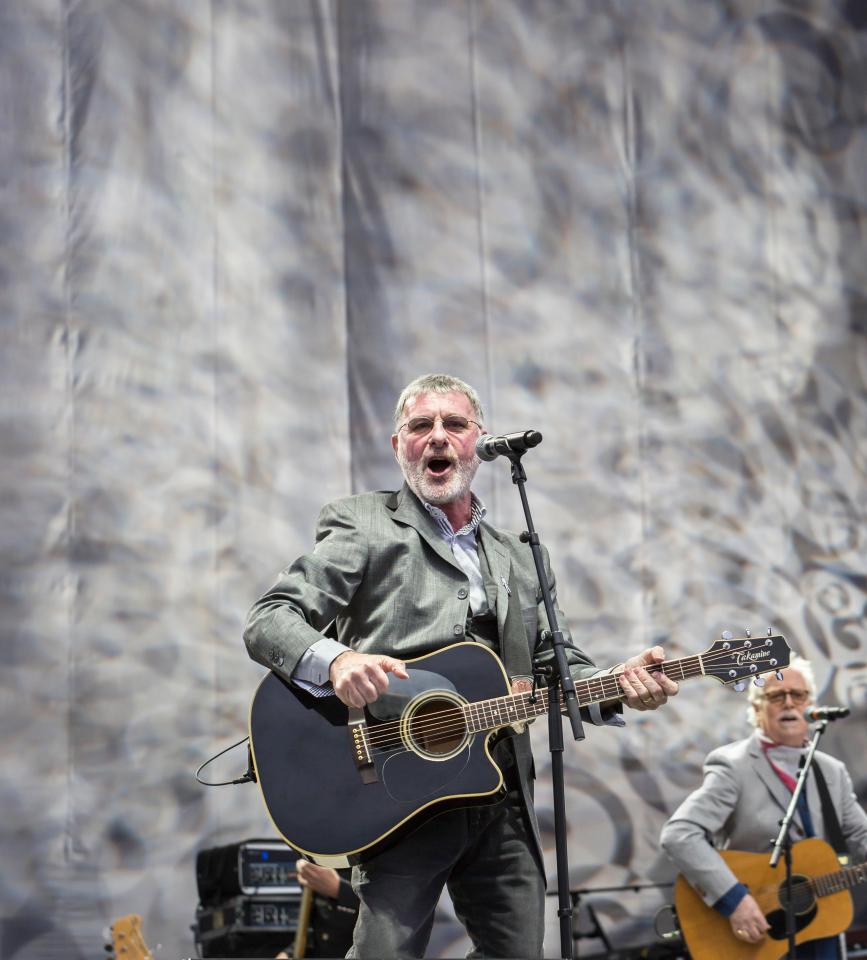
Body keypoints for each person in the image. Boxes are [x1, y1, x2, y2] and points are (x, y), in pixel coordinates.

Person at [245, 372, 679, 959]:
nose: (437, 437)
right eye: (420, 426)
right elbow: (270, 619)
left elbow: (557, 664)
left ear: (481, 440)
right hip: (394, 789)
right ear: (399, 445)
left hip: (498, 788)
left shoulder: (521, 556)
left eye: (454, 424)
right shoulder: (363, 524)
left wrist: (621, 686)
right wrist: (338, 660)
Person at [660, 653, 867, 959]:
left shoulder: (831, 771)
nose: (789, 703)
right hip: (755, 932)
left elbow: (861, 834)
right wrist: (734, 900)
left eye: (798, 695)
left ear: (810, 704)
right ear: (757, 708)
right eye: (776, 695)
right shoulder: (733, 765)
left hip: (820, 928)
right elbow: (679, 835)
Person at [275, 862, 359, 959]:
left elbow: (377, 915)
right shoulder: (318, 861)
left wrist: (339, 889)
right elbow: (314, 930)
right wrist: (288, 954)